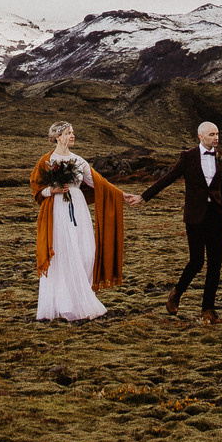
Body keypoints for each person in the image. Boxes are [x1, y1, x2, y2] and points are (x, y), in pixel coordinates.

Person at [30, 120, 141, 322]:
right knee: (64, 254)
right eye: (68, 133)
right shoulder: (46, 161)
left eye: (73, 132)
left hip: (78, 210)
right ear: (57, 137)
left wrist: (121, 195)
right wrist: (52, 190)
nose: (72, 136)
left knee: (86, 252)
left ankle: (81, 296)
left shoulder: (79, 160)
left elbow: (99, 183)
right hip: (57, 210)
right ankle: (63, 304)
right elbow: (37, 188)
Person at [140, 121, 222, 324]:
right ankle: (177, 293)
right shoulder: (188, 157)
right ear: (200, 137)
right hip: (195, 217)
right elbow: (168, 178)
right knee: (197, 261)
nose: (216, 138)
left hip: (216, 216)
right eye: (211, 134)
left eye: (217, 134)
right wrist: (144, 197)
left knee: (216, 263)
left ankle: (208, 310)